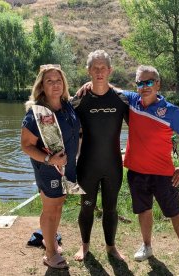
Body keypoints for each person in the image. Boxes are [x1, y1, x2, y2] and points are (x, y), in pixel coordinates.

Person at [123, 65, 179, 272]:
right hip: (136, 172)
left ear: (158, 84)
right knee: (143, 210)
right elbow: (108, 87)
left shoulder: (171, 111)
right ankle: (147, 246)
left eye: (149, 82)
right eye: (140, 82)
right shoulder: (132, 101)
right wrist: (87, 85)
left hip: (163, 174)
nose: (144, 86)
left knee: (175, 213)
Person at [71, 50, 128, 261]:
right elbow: (58, 113)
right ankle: (84, 245)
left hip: (112, 165)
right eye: (95, 68)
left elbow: (143, 119)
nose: (99, 71)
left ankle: (111, 247)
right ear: (88, 71)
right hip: (87, 165)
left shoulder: (122, 99)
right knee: (86, 208)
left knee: (111, 208)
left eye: (103, 67)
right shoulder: (79, 100)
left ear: (110, 70)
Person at [21, 64, 80, 269]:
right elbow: (26, 146)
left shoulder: (68, 106)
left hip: (67, 167)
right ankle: (49, 253)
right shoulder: (36, 113)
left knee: (58, 205)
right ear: (42, 86)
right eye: (49, 81)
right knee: (50, 209)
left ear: (64, 84)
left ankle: (51, 240)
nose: (55, 84)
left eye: (58, 80)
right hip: (48, 169)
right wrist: (49, 160)